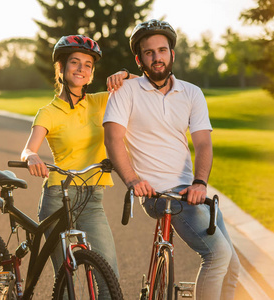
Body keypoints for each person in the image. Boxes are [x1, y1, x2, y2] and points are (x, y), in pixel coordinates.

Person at [103, 19, 240, 299]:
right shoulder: (125, 92)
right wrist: (132, 180)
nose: (157, 57)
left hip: (190, 191)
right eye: (149, 52)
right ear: (139, 59)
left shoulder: (191, 93)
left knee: (233, 267)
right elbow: (113, 139)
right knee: (217, 256)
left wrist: (200, 182)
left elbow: (202, 143)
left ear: (172, 54)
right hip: (156, 193)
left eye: (162, 50)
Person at [20, 35, 135, 280]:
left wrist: (124, 74)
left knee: (108, 274)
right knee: (65, 278)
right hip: (58, 198)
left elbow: (145, 87)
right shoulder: (48, 113)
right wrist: (31, 158)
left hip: (92, 197)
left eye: (88, 65)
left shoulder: (101, 101)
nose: (81, 69)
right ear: (61, 68)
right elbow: (28, 149)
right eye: (74, 62)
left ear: (91, 73)